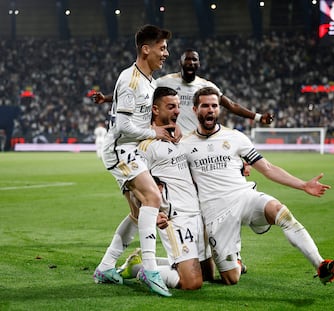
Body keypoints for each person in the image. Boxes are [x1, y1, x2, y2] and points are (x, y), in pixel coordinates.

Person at [181, 87, 334, 286]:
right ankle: (236, 261)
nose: (210, 110)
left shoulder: (235, 137)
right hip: (216, 212)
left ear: (219, 110)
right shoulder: (184, 144)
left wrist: (303, 185)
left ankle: (321, 265)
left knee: (281, 212)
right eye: (205, 106)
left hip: (244, 197)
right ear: (194, 109)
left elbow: (267, 168)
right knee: (231, 278)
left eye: (214, 106)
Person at [93, 24, 176, 297]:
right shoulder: (131, 80)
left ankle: (106, 267)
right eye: (162, 48)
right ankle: (151, 270)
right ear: (146, 49)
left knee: (139, 212)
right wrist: (155, 132)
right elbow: (124, 126)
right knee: (153, 197)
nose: (166, 53)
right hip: (120, 150)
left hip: (132, 150)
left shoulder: (148, 80)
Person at [118, 86, 215, 290]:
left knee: (207, 274)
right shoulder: (146, 145)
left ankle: (141, 262)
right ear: (155, 109)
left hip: (197, 213)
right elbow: (132, 183)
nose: (177, 111)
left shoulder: (179, 137)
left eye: (178, 106)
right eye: (171, 107)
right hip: (175, 218)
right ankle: (141, 271)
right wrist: (150, 212)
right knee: (192, 283)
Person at [92, 49, 273, 135]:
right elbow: (137, 92)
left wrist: (258, 117)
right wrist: (106, 99)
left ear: (198, 64)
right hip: (173, 138)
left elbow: (231, 105)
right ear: (181, 63)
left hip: (197, 139)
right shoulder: (165, 82)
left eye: (194, 60)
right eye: (187, 60)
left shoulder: (206, 86)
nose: (191, 63)